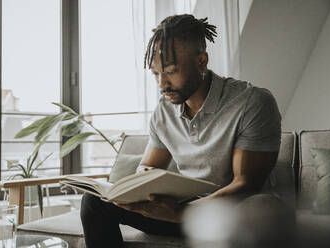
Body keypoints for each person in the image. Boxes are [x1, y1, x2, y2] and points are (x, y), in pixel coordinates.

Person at [81, 14, 293, 248]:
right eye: (155, 73)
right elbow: (148, 166)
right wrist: (145, 185)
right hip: (180, 210)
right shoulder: (164, 111)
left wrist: (183, 213)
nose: (162, 84)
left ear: (201, 61)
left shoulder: (252, 102)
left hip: (233, 215)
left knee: (263, 207)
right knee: (94, 201)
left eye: (171, 71)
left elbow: (245, 185)